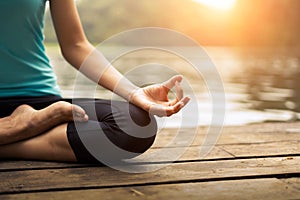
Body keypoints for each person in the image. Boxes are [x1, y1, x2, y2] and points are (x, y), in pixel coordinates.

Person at [0, 0, 189, 163]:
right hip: (25, 118)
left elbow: (75, 45)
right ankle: (14, 129)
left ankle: (20, 127)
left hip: (39, 101)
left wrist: (133, 92)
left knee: (137, 125)